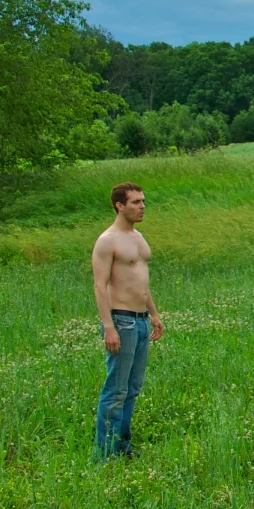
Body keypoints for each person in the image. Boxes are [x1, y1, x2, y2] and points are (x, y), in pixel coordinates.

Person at [92, 182, 164, 458]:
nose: (142, 206)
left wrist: (154, 314)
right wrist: (108, 326)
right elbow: (100, 286)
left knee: (132, 389)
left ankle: (123, 446)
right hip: (121, 321)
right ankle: (106, 453)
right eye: (135, 202)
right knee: (116, 390)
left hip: (141, 320)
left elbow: (140, 281)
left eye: (143, 201)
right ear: (119, 206)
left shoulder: (138, 237)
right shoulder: (107, 240)